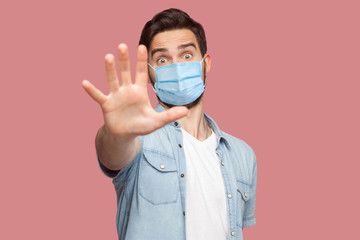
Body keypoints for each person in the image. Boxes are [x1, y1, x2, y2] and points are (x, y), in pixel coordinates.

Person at [82, 8, 257, 240]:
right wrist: (117, 134)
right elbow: (113, 153)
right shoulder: (138, 139)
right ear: (150, 73)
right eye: (162, 60)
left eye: (186, 56)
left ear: (206, 63)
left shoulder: (243, 155)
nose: (176, 66)